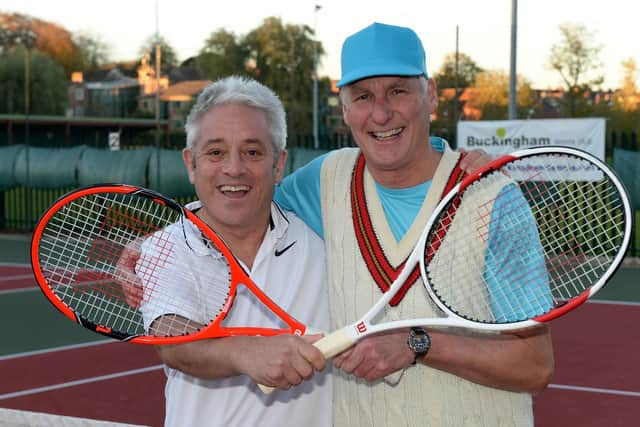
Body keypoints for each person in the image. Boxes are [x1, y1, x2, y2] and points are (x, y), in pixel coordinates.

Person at [274, 22, 554, 426]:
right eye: (363, 96)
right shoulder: (324, 181)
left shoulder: (492, 199)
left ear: (432, 96)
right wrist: (157, 242)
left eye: (398, 91)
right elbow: (237, 210)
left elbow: (535, 365)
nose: (381, 112)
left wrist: (416, 344)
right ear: (344, 108)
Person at [138, 76, 332, 427]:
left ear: (278, 164)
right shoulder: (163, 248)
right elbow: (173, 341)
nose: (234, 168)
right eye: (215, 152)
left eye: (253, 152)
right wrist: (247, 352)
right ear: (190, 163)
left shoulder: (320, 241)